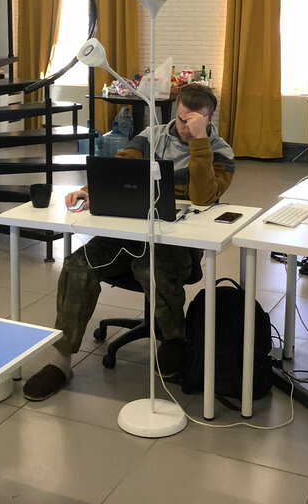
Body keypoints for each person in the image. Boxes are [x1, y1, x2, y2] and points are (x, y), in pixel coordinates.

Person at [22, 83, 235, 401]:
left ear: (209, 119)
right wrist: (90, 192)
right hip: (128, 232)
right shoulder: (151, 137)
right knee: (78, 265)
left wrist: (199, 142)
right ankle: (61, 361)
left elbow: (203, 197)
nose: (185, 128)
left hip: (177, 244)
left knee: (151, 265)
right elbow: (119, 168)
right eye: (181, 120)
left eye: (194, 122)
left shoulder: (220, 152)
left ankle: (173, 340)